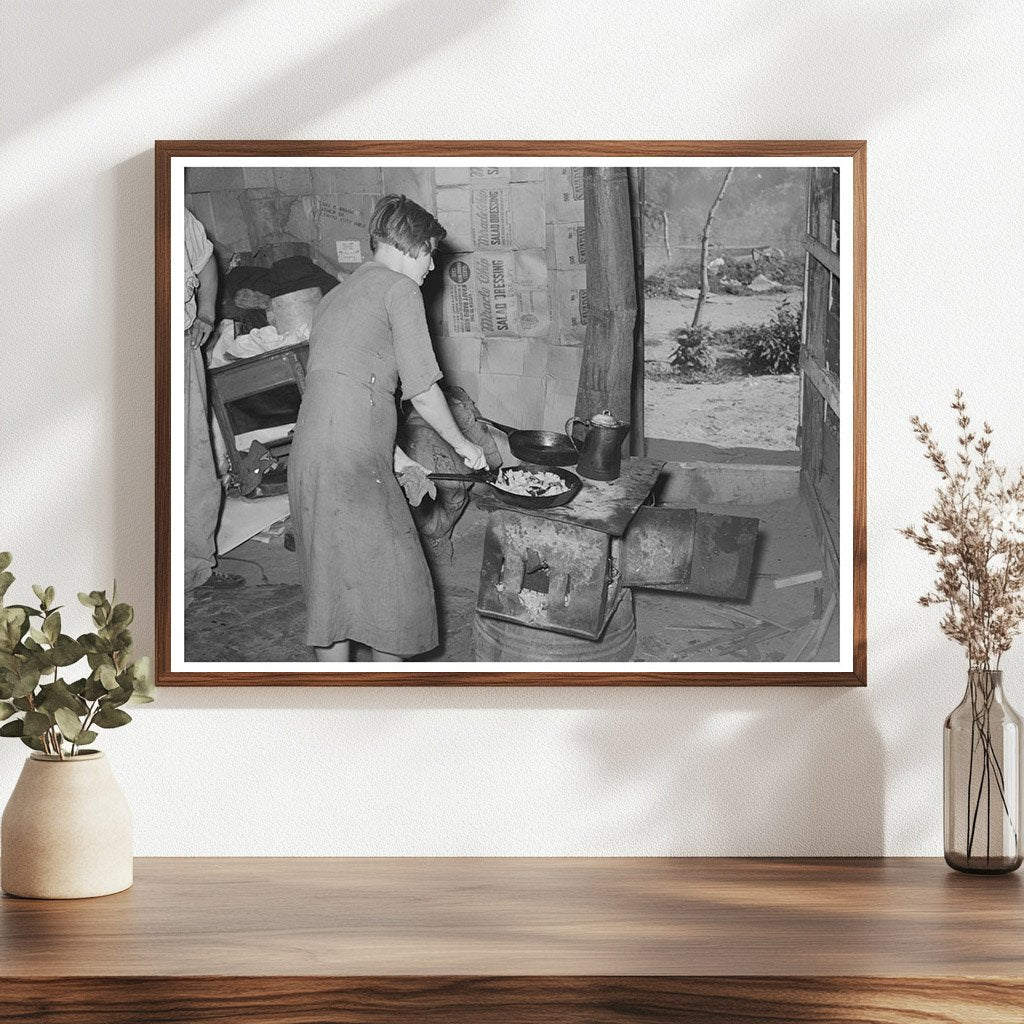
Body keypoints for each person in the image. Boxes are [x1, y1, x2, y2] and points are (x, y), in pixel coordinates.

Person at [288, 195, 487, 663]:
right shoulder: (400, 290)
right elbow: (422, 390)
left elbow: (339, 386)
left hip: (311, 457)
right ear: (411, 245)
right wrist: (464, 447)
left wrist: (396, 458)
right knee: (397, 596)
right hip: (348, 461)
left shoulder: (337, 295)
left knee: (334, 591)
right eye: (431, 252)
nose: (433, 265)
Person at [184, 208, 243, 605]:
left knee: (194, 460)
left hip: (178, 343)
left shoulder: (175, 214)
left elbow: (205, 264)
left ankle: (195, 568)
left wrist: (206, 313)